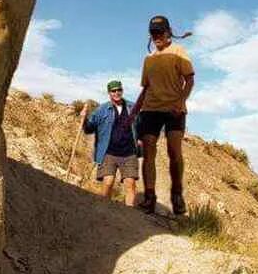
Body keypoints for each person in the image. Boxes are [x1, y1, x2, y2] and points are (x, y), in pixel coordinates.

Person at [131, 15, 195, 215]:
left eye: (160, 32)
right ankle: (150, 197)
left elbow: (189, 80)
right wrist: (133, 113)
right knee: (148, 152)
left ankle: (177, 193)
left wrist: (180, 101)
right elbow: (146, 88)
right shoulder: (148, 59)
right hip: (150, 110)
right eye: (153, 33)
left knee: (174, 152)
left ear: (168, 33)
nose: (157, 36)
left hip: (174, 110)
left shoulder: (179, 52)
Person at [82, 80, 140, 206]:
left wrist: (141, 139)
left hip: (129, 152)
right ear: (109, 93)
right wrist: (84, 119)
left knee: (131, 184)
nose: (116, 93)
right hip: (108, 152)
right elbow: (88, 129)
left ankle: (130, 215)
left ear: (122, 91)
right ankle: (105, 210)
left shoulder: (132, 107)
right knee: (108, 182)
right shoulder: (102, 110)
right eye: (113, 91)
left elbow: (141, 126)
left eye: (119, 90)